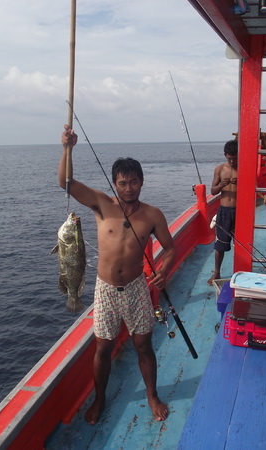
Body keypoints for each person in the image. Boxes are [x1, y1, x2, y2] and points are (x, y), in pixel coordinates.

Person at [59, 125, 176, 425]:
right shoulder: (101, 206)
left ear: (142, 182)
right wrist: (67, 148)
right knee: (103, 347)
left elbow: (171, 248)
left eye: (134, 182)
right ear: (114, 184)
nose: (128, 188)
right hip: (105, 289)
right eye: (122, 183)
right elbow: (66, 183)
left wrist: (163, 271)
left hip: (137, 287)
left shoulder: (152, 214)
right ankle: (100, 398)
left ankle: (151, 395)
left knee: (143, 345)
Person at [207, 140, 238, 285]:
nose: (232, 161)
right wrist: (221, 185)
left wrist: (241, 182)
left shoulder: (245, 169)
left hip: (240, 211)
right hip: (224, 211)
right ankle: (217, 273)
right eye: (229, 158)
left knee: (242, 244)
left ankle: (241, 272)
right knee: (220, 246)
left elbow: (253, 189)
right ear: (225, 155)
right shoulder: (219, 169)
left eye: (235, 158)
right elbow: (213, 191)